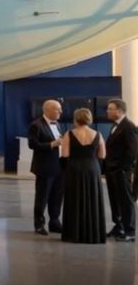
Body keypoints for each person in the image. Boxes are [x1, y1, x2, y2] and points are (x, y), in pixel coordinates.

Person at [60, 107, 107, 244]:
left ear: (76, 119)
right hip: (92, 168)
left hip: (74, 168)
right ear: (89, 119)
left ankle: (74, 234)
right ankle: (93, 235)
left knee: (74, 200)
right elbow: (102, 155)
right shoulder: (98, 134)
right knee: (93, 199)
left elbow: (65, 154)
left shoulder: (69, 134)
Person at [29, 99, 65, 235]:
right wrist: (52, 144)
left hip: (59, 166)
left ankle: (54, 222)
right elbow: (32, 145)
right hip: (44, 167)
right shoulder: (36, 125)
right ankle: (39, 224)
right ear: (48, 110)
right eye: (57, 109)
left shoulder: (58, 124)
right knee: (42, 197)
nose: (61, 111)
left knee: (57, 196)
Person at [104, 98, 137, 241]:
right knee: (115, 200)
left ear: (120, 110)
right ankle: (119, 226)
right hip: (112, 170)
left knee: (126, 201)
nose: (107, 111)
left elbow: (132, 151)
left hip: (121, 171)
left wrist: (124, 169)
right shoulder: (114, 126)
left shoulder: (129, 126)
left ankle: (129, 231)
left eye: (110, 108)